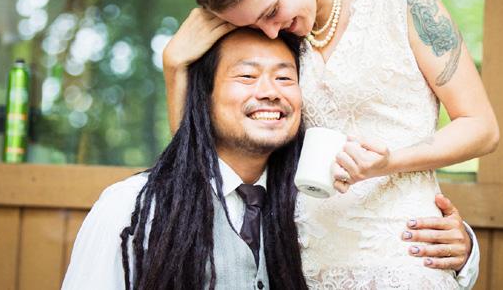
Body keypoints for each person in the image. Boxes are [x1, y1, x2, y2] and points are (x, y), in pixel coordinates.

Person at [163, 0, 498, 289]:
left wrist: (390, 162)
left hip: (404, 255)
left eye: (272, 12)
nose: (270, 31)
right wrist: (174, 66)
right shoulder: (275, 33)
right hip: (297, 264)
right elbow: (206, 159)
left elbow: (481, 127)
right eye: (255, 24)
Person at [62, 29, 479, 290]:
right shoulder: (131, 207)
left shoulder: (313, 206)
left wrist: (462, 250)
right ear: (203, 97)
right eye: (246, 76)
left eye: (284, 77)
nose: (269, 92)